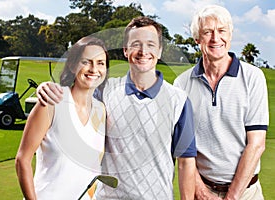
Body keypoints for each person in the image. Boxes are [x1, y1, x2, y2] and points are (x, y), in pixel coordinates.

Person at [36, 16, 197, 199]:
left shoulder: (179, 100)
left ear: (159, 51)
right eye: (136, 44)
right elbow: (74, 99)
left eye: (151, 44)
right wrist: (46, 87)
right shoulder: (103, 91)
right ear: (125, 50)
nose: (143, 51)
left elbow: (186, 163)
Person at [173, 5, 269, 200]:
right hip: (202, 192)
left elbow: (257, 144)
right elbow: (184, 150)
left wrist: (231, 197)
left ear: (230, 34)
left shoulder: (253, 77)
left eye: (222, 30)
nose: (216, 38)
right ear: (197, 39)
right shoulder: (181, 84)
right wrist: (200, 191)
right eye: (208, 32)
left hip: (247, 193)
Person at [15, 36, 109, 200]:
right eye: (86, 62)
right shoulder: (50, 104)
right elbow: (22, 160)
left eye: (100, 63)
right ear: (73, 65)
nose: (94, 69)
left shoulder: (101, 111)